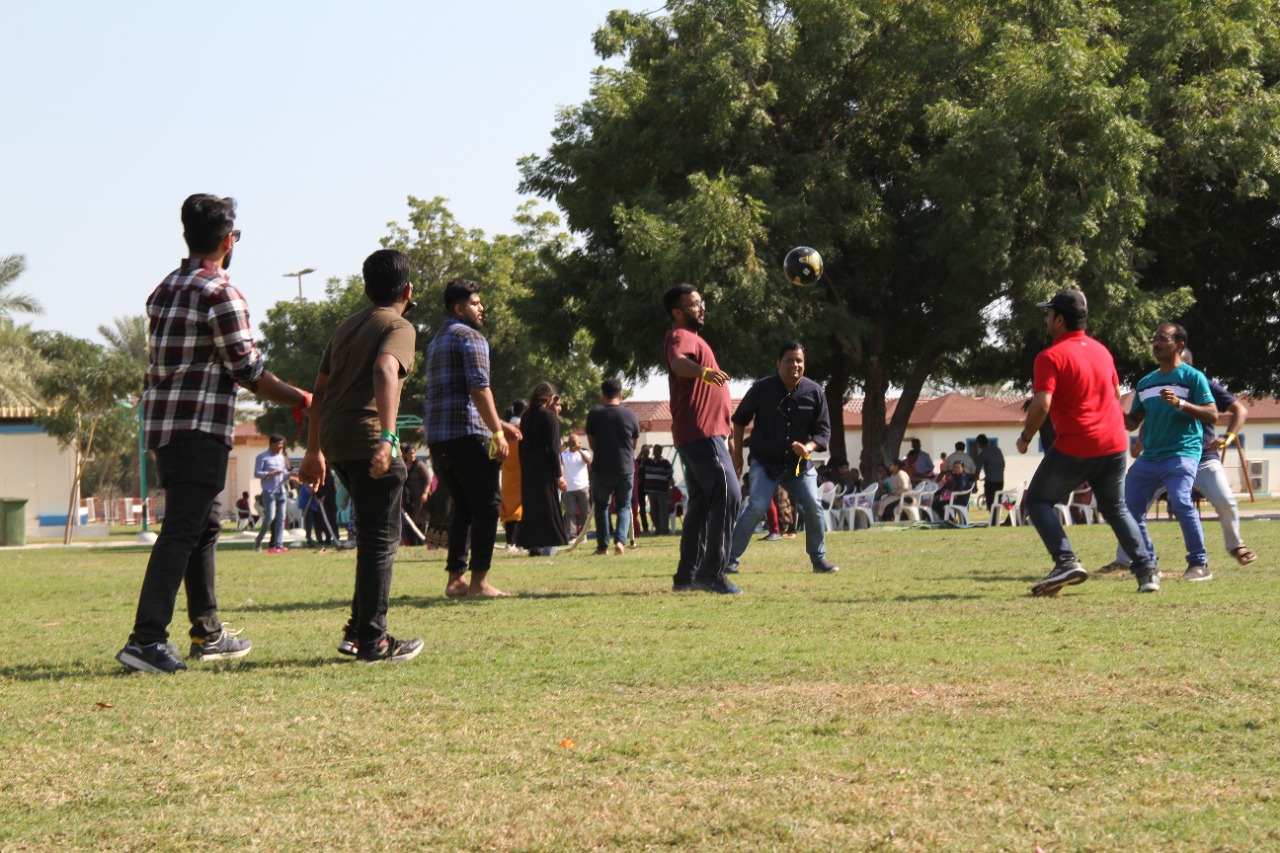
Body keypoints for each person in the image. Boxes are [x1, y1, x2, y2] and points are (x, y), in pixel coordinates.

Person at [116, 193, 311, 674]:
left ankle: (208, 631)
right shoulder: (221, 292)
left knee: (201, 527)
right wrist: (300, 398)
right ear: (228, 240)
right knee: (183, 530)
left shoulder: (164, 289)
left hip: (164, 427)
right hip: (201, 426)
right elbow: (248, 369)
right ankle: (146, 639)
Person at [298, 248, 423, 663]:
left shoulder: (345, 327)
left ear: (367, 290)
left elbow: (320, 390)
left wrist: (313, 449)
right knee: (380, 540)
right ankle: (374, 640)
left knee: (372, 535)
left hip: (337, 439)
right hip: (370, 439)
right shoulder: (399, 325)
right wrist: (389, 437)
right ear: (407, 289)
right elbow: (386, 370)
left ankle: (357, 632)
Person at [1015, 289, 1156, 596]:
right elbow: (1116, 395)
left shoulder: (1049, 356)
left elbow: (1041, 405)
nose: (1046, 318)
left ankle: (1066, 561)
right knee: (1115, 507)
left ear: (1060, 319)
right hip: (1115, 442)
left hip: (1078, 443)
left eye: (1049, 313)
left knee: (1037, 501)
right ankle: (1146, 571)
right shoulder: (1102, 351)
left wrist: (1026, 438)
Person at [1099, 349, 1258, 574]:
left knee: (1224, 500)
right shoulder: (1152, 383)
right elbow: (1151, 416)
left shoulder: (1200, 382)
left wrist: (1229, 437)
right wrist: (1142, 441)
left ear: (1188, 365)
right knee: (1132, 504)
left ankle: (1235, 546)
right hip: (1160, 456)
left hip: (1200, 456)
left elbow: (1238, 410)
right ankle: (1127, 559)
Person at [423, 278, 510, 597]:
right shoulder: (471, 337)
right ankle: (480, 583)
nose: (481, 307)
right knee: (488, 506)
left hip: (439, 438)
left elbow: (451, 394)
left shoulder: (436, 342)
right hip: (468, 434)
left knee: (463, 506)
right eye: (475, 303)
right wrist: (497, 432)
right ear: (459, 308)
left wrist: (499, 422)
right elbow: (478, 387)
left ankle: (455, 579)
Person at [727, 342, 839, 574]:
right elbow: (739, 420)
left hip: (799, 465)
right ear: (778, 363)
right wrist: (737, 454)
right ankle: (728, 561)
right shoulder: (761, 388)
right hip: (765, 462)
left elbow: (823, 432)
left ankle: (819, 560)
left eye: (799, 361)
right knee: (757, 506)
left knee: (813, 504)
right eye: (789, 360)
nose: (794, 365)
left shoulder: (815, 392)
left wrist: (808, 446)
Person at [1119, 323, 1218, 586]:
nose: (1157, 343)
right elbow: (1134, 421)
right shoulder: (1146, 382)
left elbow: (1212, 413)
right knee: (1129, 510)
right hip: (1150, 457)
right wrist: (1112, 409)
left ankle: (1199, 563)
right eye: (1155, 339)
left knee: (1180, 500)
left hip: (1182, 451)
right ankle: (1149, 563)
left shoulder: (1193, 377)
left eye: (1163, 339)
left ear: (1179, 345)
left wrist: (1181, 403)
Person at [664, 284, 742, 594]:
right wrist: (703, 372)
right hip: (701, 433)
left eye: (702, 302)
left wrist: (728, 433)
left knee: (699, 505)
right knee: (729, 494)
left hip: (708, 434)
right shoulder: (680, 337)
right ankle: (711, 573)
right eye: (695, 304)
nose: (702, 308)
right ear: (677, 312)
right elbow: (678, 362)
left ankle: (687, 575)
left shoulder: (697, 339)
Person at [585, 377, 640, 556]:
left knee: (601, 506)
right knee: (624, 506)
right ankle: (620, 541)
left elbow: (592, 442)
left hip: (601, 467)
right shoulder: (630, 415)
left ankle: (603, 546)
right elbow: (634, 444)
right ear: (620, 395)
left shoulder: (594, 414)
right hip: (625, 467)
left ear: (603, 395)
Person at [519, 382, 570, 556]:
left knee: (532, 508)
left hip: (528, 469)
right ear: (549, 398)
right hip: (545, 470)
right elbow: (553, 448)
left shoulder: (526, 416)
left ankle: (533, 546)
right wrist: (559, 474)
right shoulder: (549, 417)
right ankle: (548, 547)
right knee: (549, 509)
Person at [253, 434, 290, 552]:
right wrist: (270, 474)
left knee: (281, 518)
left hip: (281, 491)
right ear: (271, 444)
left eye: (282, 445)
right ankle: (258, 541)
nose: (281, 447)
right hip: (269, 492)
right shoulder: (262, 457)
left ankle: (278, 544)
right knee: (270, 517)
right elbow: (257, 473)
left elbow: (284, 474)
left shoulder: (281, 457)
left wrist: (291, 476)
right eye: (278, 444)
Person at [499, 400, 526, 553]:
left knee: (509, 508)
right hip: (522, 472)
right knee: (521, 508)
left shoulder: (503, 428)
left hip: (507, 471)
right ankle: (520, 543)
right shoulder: (522, 428)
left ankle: (510, 543)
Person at [560, 432, 592, 538]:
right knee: (570, 513)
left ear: (579, 442)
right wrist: (560, 448)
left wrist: (580, 450)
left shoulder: (584, 453)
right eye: (571, 441)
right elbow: (555, 460)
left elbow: (588, 461)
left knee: (584, 512)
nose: (573, 443)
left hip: (582, 486)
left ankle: (584, 534)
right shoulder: (564, 454)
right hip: (568, 488)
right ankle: (572, 535)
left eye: (575, 441)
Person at [642, 445, 675, 535]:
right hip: (651, 490)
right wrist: (645, 450)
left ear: (660, 451)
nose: (655, 452)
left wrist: (671, 488)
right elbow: (641, 458)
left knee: (662, 510)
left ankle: (664, 529)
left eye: (657, 450)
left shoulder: (665, 463)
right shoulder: (648, 462)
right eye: (654, 450)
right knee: (653, 511)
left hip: (662, 490)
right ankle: (657, 528)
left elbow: (670, 477)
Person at [402, 444, 430, 546]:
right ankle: (412, 543)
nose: (412, 456)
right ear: (405, 455)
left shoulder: (419, 465)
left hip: (419, 497)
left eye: (414, 453)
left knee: (419, 519)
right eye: (410, 454)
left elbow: (428, 480)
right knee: (408, 520)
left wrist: (425, 493)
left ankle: (421, 543)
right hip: (408, 498)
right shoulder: (403, 466)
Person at [973, 434, 1005, 522]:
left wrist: (975, 485)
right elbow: (1003, 465)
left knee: (990, 502)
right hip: (1000, 480)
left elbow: (977, 471)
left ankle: (993, 520)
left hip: (991, 481)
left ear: (979, 443)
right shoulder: (997, 450)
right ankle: (996, 519)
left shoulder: (983, 453)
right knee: (997, 501)